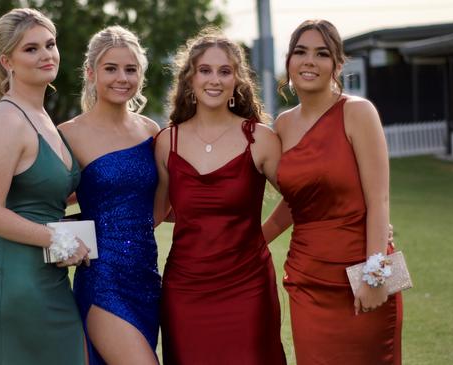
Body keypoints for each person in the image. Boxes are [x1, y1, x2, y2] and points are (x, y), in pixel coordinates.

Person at [264, 19, 402, 364]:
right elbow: (299, 202)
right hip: (307, 279)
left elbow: (378, 200)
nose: (309, 61)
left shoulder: (358, 112)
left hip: (363, 271)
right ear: (289, 62)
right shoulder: (282, 125)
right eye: (300, 52)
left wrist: (375, 274)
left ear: (337, 65)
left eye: (321, 53)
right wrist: (251, 240)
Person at [153, 28, 287, 364]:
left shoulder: (260, 139)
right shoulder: (166, 142)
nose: (215, 80)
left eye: (224, 71)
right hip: (185, 291)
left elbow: (300, 199)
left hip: (248, 288)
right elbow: (154, 213)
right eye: (205, 70)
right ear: (190, 79)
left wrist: (260, 238)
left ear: (236, 81)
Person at [0, 8, 89, 365]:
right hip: (15, 280)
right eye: (31, 49)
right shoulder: (7, 118)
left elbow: (45, 195)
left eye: (50, 44)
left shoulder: (42, 116)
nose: (46, 55)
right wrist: (59, 239)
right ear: (8, 61)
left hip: (48, 275)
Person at [57, 26, 161, 365]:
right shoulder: (69, 135)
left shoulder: (150, 130)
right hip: (102, 280)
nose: (122, 78)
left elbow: (158, 204)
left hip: (147, 276)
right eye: (111, 68)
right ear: (91, 72)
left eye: (131, 69)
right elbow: (47, 204)